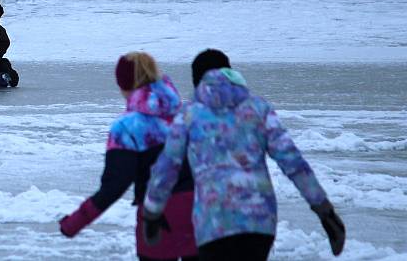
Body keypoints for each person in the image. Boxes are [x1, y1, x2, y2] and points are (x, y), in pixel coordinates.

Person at [142, 49, 346, 261]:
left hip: (213, 224)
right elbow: (293, 161)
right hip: (259, 224)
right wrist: (324, 210)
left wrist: (152, 212)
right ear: (230, 72)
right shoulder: (258, 108)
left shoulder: (189, 115)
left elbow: (167, 167)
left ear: (196, 82)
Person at [59, 52, 197, 261]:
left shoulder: (127, 127)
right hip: (202, 213)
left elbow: (114, 185)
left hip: (157, 218)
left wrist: (73, 223)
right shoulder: (188, 114)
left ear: (123, 83)